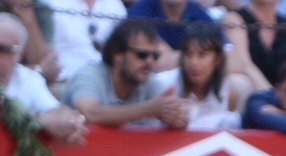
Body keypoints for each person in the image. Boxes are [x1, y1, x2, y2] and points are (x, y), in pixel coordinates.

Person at [64, 19, 189, 130]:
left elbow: (171, 113)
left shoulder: (151, 82)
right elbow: (90, 113)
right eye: (142, 55)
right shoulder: (90, 74)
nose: (150, 62)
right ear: (117, 53)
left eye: (155, 56)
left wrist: (176, 117)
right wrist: (150, 109)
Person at [0, 12, 87, 143]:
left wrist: (70, 122)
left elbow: (54, 109)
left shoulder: (29, 79)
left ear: (21, 54)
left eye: (4, 49)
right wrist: (41, 120)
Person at [155, 22, 245, 129]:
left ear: (218, 59)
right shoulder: (162, 84)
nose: (194, 62)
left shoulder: (229, 92)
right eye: (188, 54)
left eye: (202, 55)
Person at [224, 0, 286, 91]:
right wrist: (270, 95)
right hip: (253, 91)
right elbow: (244, 64)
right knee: (238, 82)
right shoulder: (235, 19)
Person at [48, 0, 128, 87]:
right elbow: (47, 56)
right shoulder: (51, 3)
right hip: (65, 83)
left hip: (107, 86)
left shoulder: (115, 4)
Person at [126, 0, 215, 69]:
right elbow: (157, 61)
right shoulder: (141, 11)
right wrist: (200, 59)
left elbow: (223, 56)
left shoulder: (200, 15)